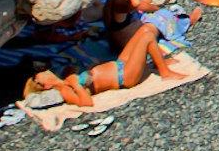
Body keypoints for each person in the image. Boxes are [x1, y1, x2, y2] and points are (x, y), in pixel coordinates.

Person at [24, 23, 176, 109]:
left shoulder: (64, 76)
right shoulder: (65, 90)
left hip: (119, 64)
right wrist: (78, 86)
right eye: (39, 75)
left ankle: (158, 64)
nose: (45, 72)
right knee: (148, 37)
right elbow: (86, 103)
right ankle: (165, 72)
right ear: (44, 85)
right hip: (124, 76)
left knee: (146, 28)